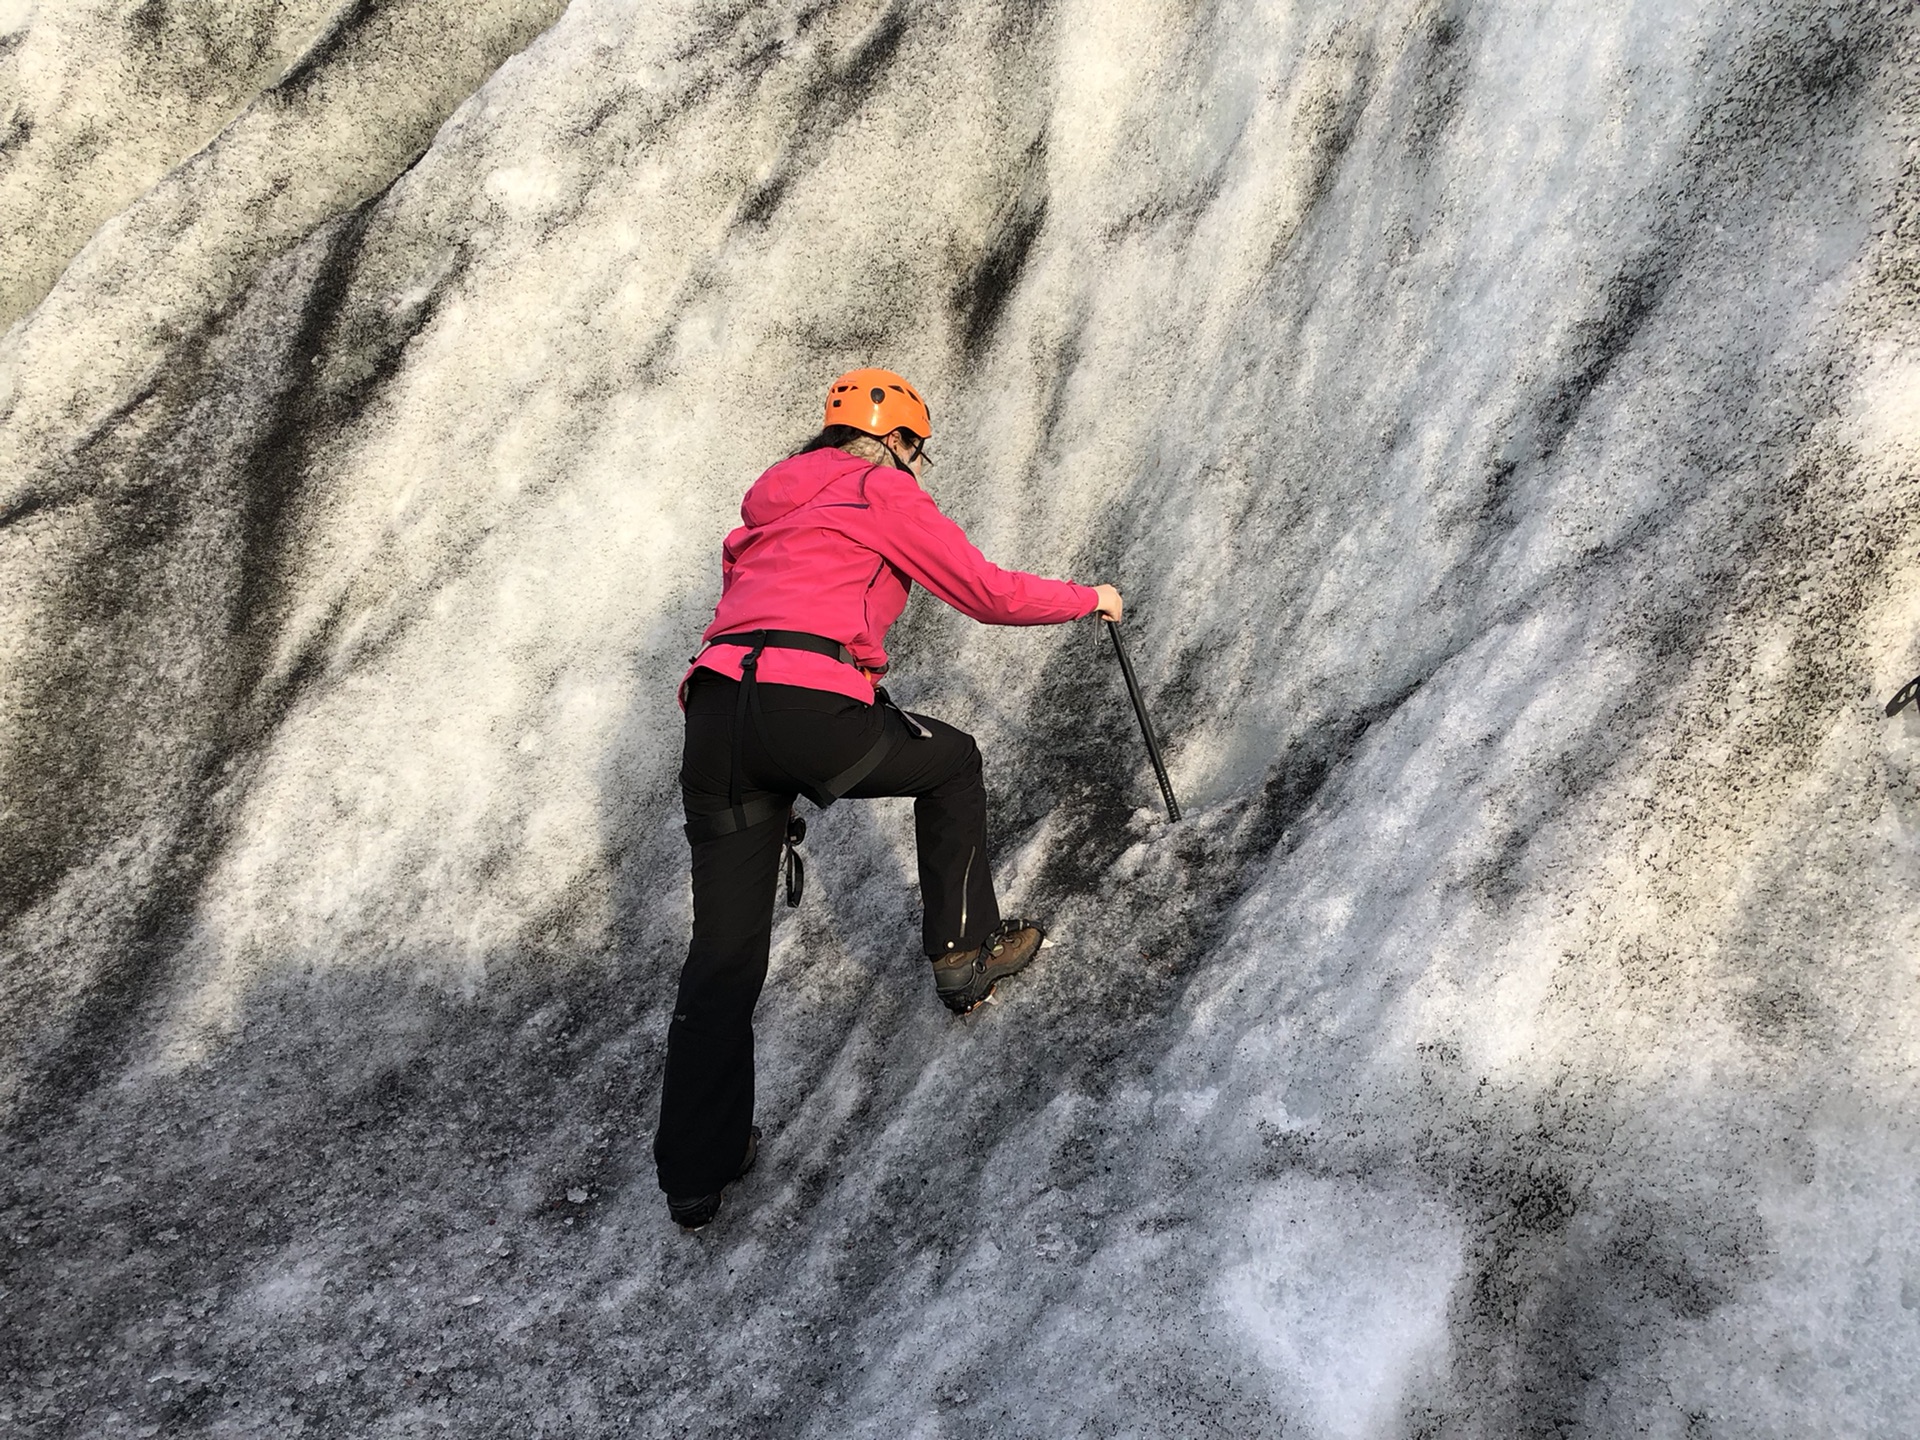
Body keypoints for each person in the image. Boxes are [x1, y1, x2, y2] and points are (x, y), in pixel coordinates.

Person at [655, 367, 1124, 1230]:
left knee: (722, 956)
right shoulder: (882, 489)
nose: (916, 464)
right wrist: (1090, 598)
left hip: (717, 712)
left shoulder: (767, 509)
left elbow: (746, 612)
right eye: (918, 449)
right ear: (899, 441)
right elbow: (984, 592)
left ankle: (695, 1170)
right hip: (807, 703)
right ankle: (964, 952)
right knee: (950, 762)